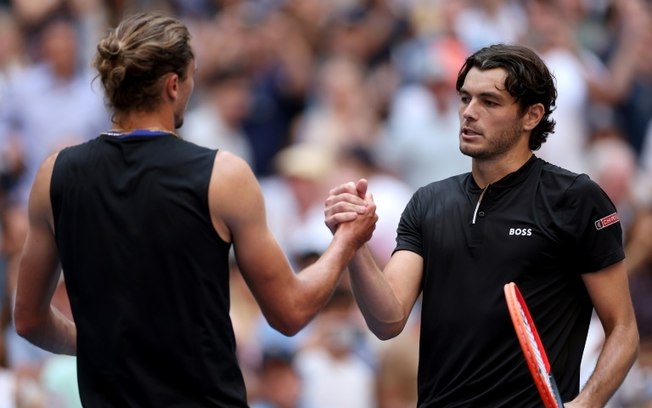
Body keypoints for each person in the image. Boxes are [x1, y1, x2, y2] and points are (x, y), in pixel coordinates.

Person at [12, 11, 377, 407]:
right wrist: (346, 241)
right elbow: (290, 311)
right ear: (173, 84)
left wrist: (99, 347)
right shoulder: (224, 176)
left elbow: (29, 319)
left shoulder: (54, 175)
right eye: (191, 77)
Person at [325, 43, 639, 407]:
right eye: (465, 99)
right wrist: (355, 245)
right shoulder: (429, 201)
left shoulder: (576, 198)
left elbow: (623, 329)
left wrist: (586, 403)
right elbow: (388, 320)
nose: (469, 113)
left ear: (531, 116)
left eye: (489, 102)